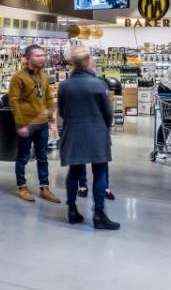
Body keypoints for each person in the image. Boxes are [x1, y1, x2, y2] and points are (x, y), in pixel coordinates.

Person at [57, 48, 119, 230]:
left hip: (72, 132)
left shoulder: (64, 85)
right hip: (96, 133)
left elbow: (62, 111)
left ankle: (72, 210)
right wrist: (104, 126)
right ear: (87, 62)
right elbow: (108, 114)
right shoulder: (99, 84)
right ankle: (99, 214)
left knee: (74, 171)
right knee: (100, 171)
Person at [8, 44, 60, 203]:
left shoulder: (44, 76)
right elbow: (14, 101)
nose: (42, 58)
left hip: (42, 124)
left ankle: (44, 187)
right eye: (37, 55)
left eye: (42, 55)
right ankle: (21, 186)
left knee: (43, 156)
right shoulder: (18, 77)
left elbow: (48, 98)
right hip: (26, 124)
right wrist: (20, 124)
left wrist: (51, 119)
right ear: (27, 58)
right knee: (23, 156)